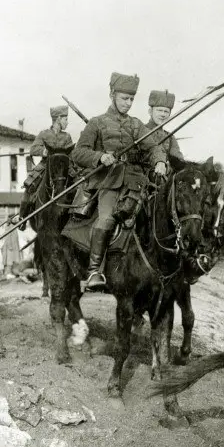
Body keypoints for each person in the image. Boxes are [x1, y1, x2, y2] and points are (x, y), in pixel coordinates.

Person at [70, 72, 167, 290]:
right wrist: (100, 157)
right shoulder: (97, 123)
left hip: (135, 181)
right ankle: (94, 271)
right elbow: (78, 153)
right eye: (124, 98)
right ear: (112, 95)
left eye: (131, 99)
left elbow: (153, 147)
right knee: (106, 219)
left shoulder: (136, 125)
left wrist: (160, 161)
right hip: (108, 181)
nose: (128, 103)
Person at [14, 105, 74, 229]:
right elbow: (34, 149)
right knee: (30, 185)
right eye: (65, 119)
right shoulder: (44, 134)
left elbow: (71, 154)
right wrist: (44, 151)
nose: (67, 122)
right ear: (58, 119)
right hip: (45, 166)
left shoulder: (67, 136)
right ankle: (22, 218)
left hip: (63, 168)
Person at [143, 90, 184, 167]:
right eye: (159, 110)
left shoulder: (170, 137)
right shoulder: (140, 130)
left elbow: (178, 160)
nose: (163, 114)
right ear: (150, 111)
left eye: (166, 112)